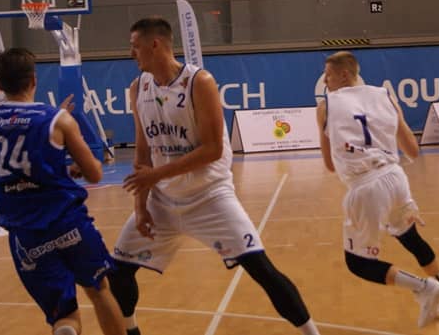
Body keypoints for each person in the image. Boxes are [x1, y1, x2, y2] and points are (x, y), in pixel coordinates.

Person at [108, 17, 320, 335]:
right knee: (119, 271)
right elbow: (142, 151)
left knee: (260, 268)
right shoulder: (138, 88)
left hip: (209, 196)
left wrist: (156, 174)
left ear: (155, 44)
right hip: (163, 200)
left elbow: (212, 150)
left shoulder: (200, 82)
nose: (131, 53)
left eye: (135, 46)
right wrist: (140, 207)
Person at [0, 48, 125, 335]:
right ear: (34, 79)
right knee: (99, 290)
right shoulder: (57, 120)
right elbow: (95, 173)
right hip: (68, 223)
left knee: (64, 314)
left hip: (25, 233)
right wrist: (74, 156)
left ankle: (65, 328)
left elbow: (20, 148)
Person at [315, 51, 439, 328]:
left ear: (344, 74)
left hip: (366, 185)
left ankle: (425, 287)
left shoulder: (326, 107)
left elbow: (330, 165)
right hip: (396, 177)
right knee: (410, 238)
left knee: (358, 263)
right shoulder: (386, 96)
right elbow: (413, 151)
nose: (325, 80)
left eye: (329, 75)